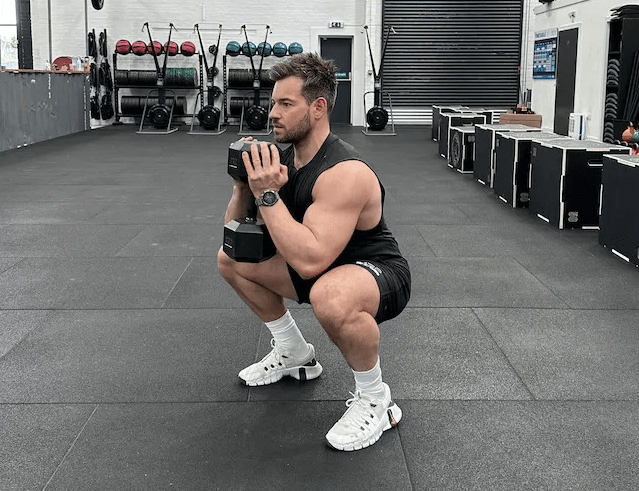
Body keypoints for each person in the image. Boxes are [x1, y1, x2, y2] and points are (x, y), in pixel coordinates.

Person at [218, 52, 411, 451]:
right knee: (232, 259)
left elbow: (310, 261)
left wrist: (267, 193)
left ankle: (377, 400)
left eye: (286, 104)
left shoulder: (346, 173)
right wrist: (244, 185)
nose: (273, 113)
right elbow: (233, 233)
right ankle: (294, 353)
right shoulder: (280, 157)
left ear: (318, 108)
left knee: (330, 295)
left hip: (372, 270)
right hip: (315, 265)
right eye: (273, 103)